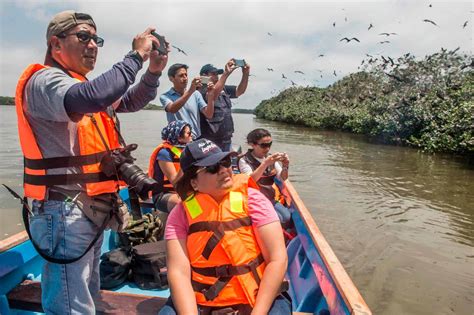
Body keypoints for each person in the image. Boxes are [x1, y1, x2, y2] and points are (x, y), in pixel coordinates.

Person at [15, 10, 168, 314]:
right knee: (70, 304)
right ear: (56, 44)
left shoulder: (81, 85)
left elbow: (131, 100)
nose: (93, 45)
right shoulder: (46, 81)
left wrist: (152, 72)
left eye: (96, 39)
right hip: (64, 209)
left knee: (86, 293)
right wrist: (135, 56)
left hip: (93, 207)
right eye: (83, 36)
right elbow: (93, 96)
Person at [159, 138, 290, 314]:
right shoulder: (180, 214)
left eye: (225, 162)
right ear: (193, 182)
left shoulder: (254, 200)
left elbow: (277, 259)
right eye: (212, 168)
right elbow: (178, 273)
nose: (223, 170)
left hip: (257, 296)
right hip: (203, 301)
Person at [238, 129, 292, 228]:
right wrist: (265, 163)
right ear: (252, 144)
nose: (267, 148)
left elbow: (283, 178)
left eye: (269, 144)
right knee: (278, 220)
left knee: (287, 218)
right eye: (263, 145)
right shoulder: (244, 161)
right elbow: (250, 181)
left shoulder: (271, 158)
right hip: (255, 200)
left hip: (269, 198)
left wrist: (285, 165)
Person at [199, 60, 250, 151]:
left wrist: (245, 74)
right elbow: (213, 95)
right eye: (214, 73)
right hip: (210, 140)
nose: (217, 76)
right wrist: (226, 74)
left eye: (218, 73)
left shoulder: (224, 88)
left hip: (226, 139)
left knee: (225, 164)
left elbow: (240, 91)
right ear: (204, 75)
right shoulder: (199, 90)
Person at [160, 63, 215, 139]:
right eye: (181, 75)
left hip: (195, 139)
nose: (185, 78)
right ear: (171, 78)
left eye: (186, 75)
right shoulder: (165, 96)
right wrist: (190, 91)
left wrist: (211, 96)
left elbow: (209, 115)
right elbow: (172, 109)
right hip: (177, 141)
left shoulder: (196, 94)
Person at [148, 120, 192, 212]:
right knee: (191, 206)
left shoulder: (184, 151)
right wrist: (185, 162)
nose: (191, 135)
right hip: (164, 195)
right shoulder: (164, 153)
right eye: (189, 133)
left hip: (182, 191)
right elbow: (176, 183)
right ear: (179, 137)